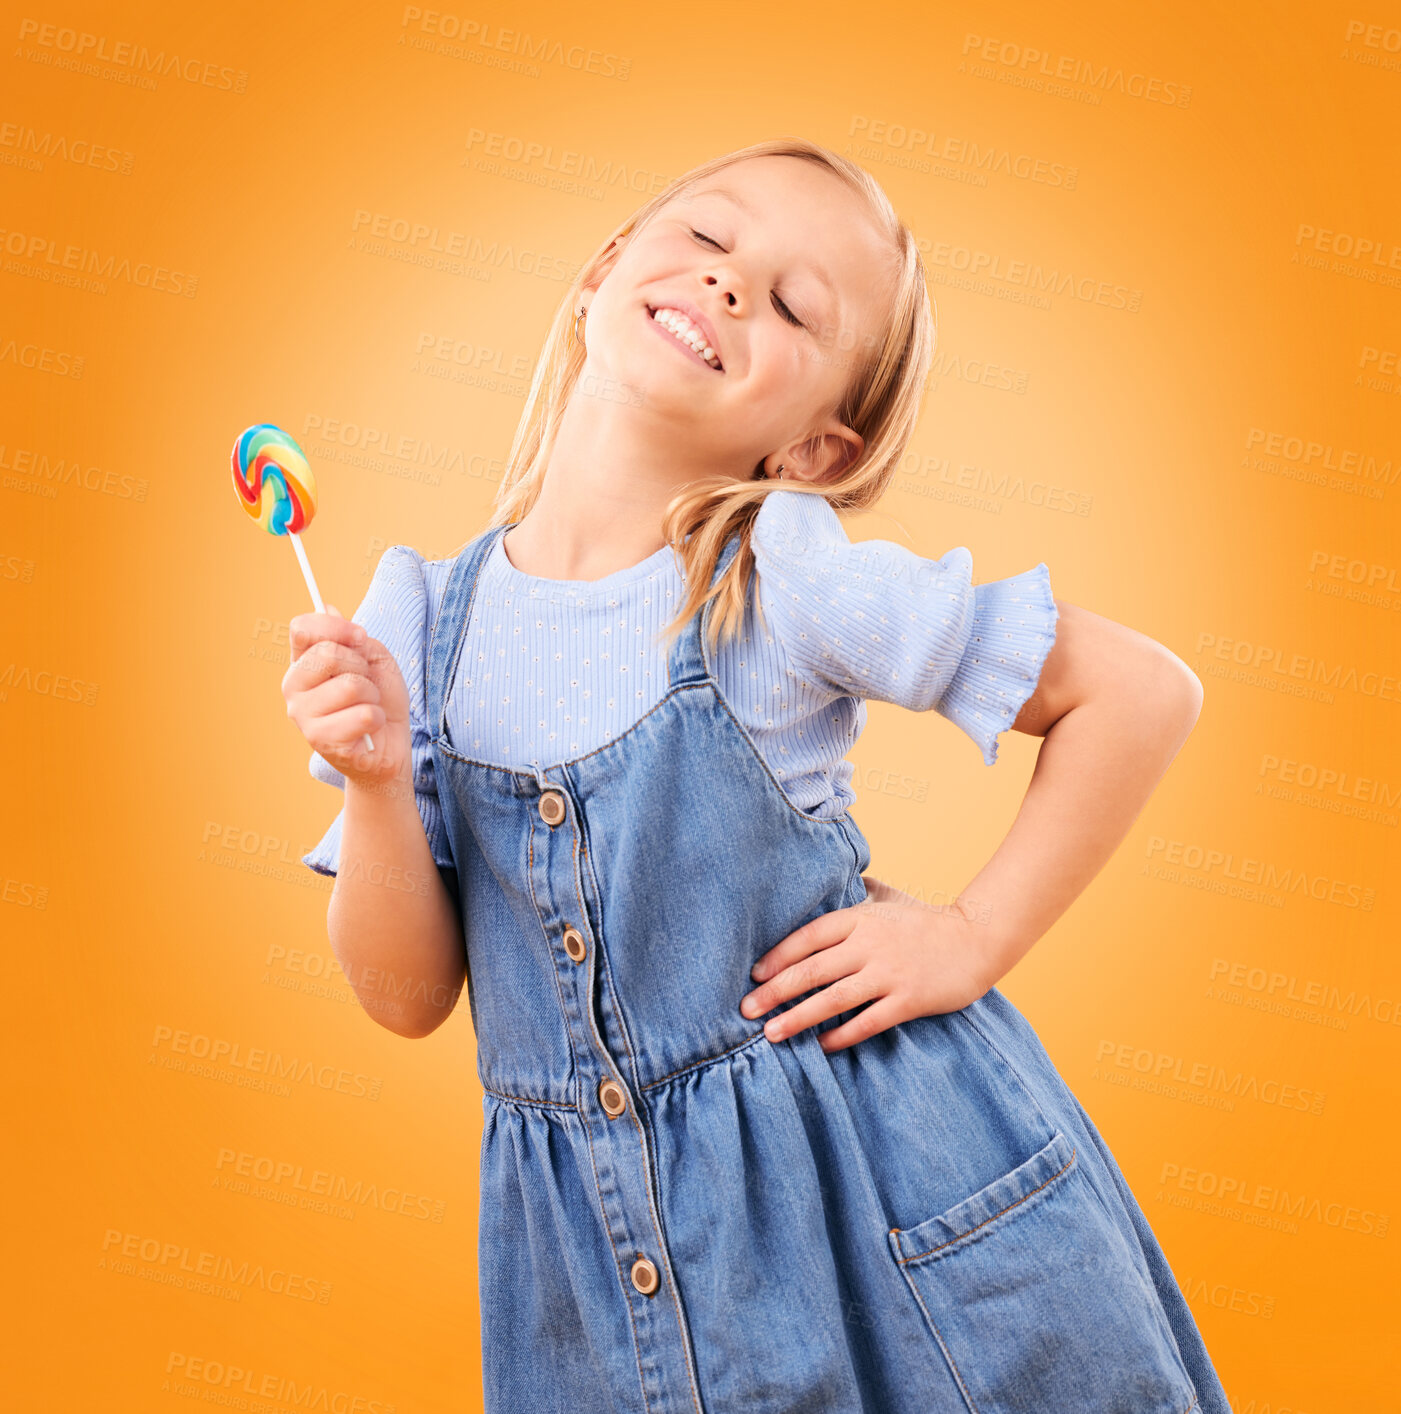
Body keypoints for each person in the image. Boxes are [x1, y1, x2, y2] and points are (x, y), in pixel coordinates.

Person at [282, 137, 1230, 1414]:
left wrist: (967, 936)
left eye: (794, 306)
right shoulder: (420, 624)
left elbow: (1141, 692)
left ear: (817, 451)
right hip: (591, 1278)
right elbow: (405, 996)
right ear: (606, 268)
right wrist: (377, 784)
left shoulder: (779, 572)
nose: (730, 287)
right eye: (708, 241)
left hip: (896, 1202)